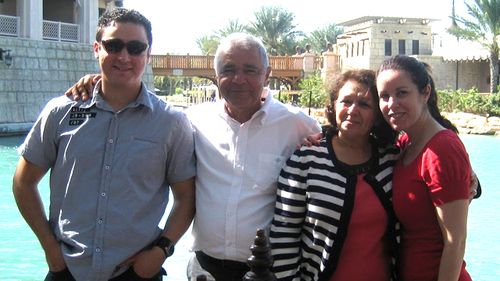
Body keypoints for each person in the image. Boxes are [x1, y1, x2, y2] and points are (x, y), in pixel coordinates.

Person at [65, 32, 322, 281]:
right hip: (205, 268)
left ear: (267, 74)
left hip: (268, 269)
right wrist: (102, 82)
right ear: (216, 75)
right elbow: (145, 110)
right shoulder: (192, 120)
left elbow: (340, 151)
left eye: (250, 70)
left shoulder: (298, 125)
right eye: (229, 69)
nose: (238, 79)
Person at [12, 8, 195, 281]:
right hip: (67, 269)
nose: (124, 56)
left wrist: (162, 250)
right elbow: (23, 182)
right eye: (113, 45)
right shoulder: (60, 112)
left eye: (135, 48)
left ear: (148, 53)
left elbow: (186, 198)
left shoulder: (172, 122)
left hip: (137, 272)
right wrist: (49, 247)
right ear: (97, 48)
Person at [270, 69, 400, 281]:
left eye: (364, 104)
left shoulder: (391, 159)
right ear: (333, 106)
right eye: (346, 101)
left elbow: (432, 179)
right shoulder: (306, 159)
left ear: (377, 114)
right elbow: (283, 236)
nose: (353, 110)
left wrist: (471, 183)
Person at [376, 55, 473, 281]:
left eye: (402, 93)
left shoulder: (442, 149)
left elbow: (455, 242)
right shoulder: (404, 144)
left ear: (425, 92)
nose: (391, 104)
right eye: (384, 96)